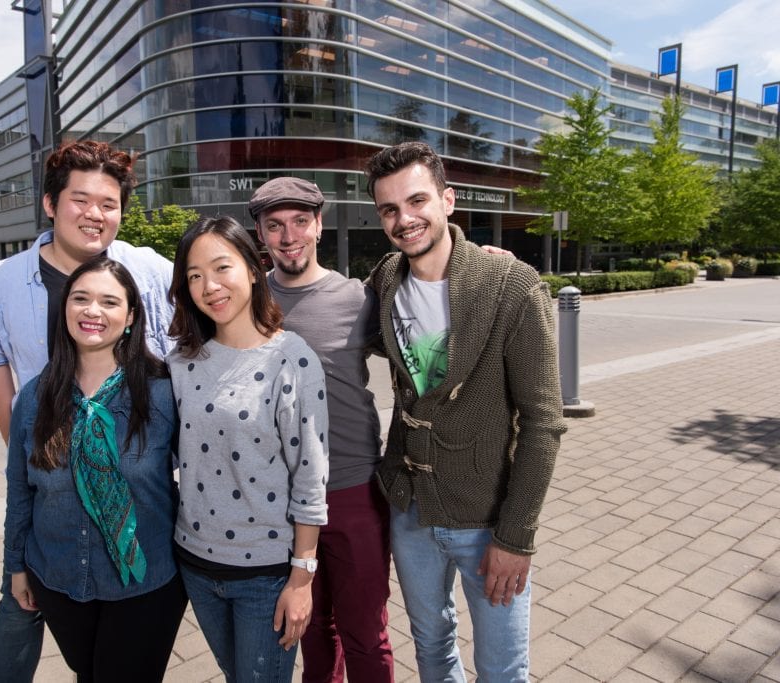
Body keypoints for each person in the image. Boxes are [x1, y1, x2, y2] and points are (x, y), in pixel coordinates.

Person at [0, 140, 174, 681]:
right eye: (80, 200)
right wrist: (34, 451)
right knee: (21, 606)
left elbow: (208, 312)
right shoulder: (0, 283)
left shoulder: (147, 269)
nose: (95, 214)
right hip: (51, 491)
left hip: (133, 495)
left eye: (108, 203)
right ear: (49, 203)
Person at [363, 141, 567, 682]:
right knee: (431, 648)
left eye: (416, 201)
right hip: (411, 511)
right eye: (389, 209)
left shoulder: (512, 287)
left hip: (488, 520)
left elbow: (543, 423)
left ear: (448, 201)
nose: (404, 219)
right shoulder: (386, 280)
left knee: (502, 669)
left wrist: (516, 537)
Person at [4, 256, 187, 681]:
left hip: (147, 583)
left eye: (109, 301)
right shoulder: (35, 398)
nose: (92, 311)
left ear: (130, 317)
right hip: (58, 578)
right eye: (81, 298)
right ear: (65, 308)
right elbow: (20, 489)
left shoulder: (162, 393)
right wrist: (16, 567)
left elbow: (199, 478)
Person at [167, 215, 329, 683]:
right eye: (194, 276)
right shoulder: (181, 362)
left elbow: (310, 477)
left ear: (254, 270)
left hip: (266, 575)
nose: (209, 286)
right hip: (195, 564)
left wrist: (302, 579)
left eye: (221, 268)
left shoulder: (292, 358)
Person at [247, 177, 394, 683]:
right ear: (261, 235)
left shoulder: (359, 299)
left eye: (299, 222)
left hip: (353, 489)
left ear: (319, 226)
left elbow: (430, 323)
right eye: (275, 226)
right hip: (280, 501)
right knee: (309, 633)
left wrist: (482, 264)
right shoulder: (245, 304)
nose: (289, 236)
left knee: (365, 634)